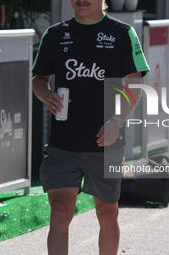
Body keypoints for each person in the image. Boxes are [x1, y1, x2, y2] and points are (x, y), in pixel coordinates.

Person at [32, 0, 150, 254]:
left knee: (107, 214)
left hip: (105, 144)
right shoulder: (55, 34)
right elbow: (39, 80)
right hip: (62, 144)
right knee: (60, 212)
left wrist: (117, 121)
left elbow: (135, 83)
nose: (81, 0)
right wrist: (46, 95)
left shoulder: (122, 33)